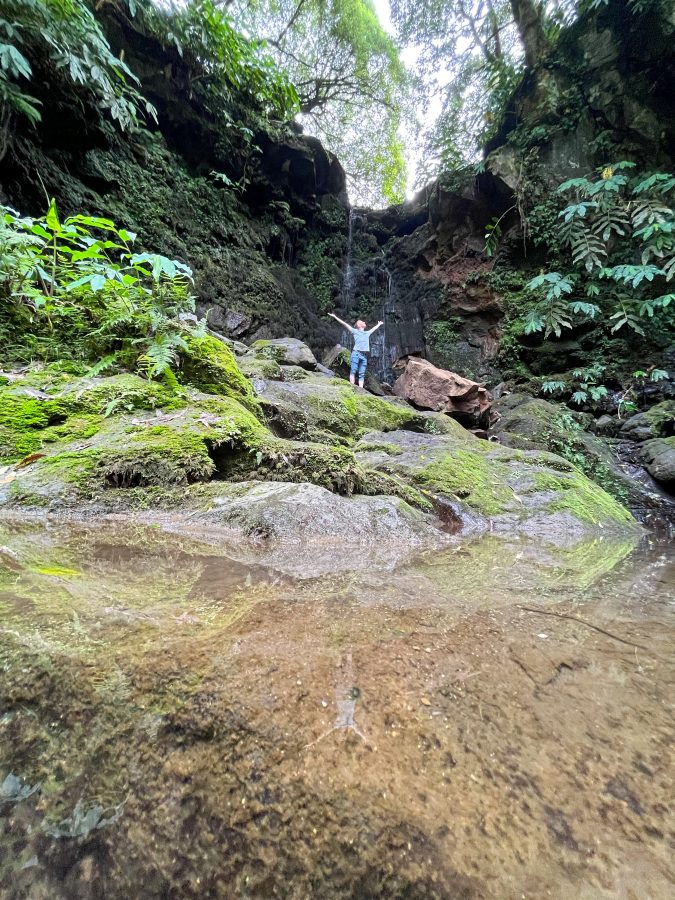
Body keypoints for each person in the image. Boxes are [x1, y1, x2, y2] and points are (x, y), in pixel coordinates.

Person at [328, 312, 383, 388]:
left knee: (362, 373)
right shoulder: (355, 331)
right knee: (353, 370)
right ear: (358, 325)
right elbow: (344, 324)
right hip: (356, 353)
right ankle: (352, 387)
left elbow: (374, 329)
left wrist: (379, 324)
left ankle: (360, 389)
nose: (364, 322)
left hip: (364, 356)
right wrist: (335, 316)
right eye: (362, 322)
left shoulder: (367, 333)